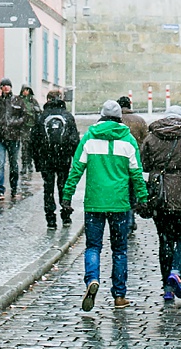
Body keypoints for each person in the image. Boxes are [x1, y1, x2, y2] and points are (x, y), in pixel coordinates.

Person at [62, 99, 148, 311]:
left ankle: (92, 279)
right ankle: (119, 295)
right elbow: (136, 174)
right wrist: (143, 198)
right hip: (119, 203)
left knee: (93, 246)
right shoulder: (128, 140)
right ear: (120, 118)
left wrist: (67, 196)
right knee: (119, 249)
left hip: (94, 202)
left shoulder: (90, 138)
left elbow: (76, 169)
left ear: (101, 116)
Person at [138, 104, 181, 301]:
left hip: (160, 196)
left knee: (165, 240)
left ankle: (167, 288)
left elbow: (144, 164)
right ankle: (176, 271)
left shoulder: (152, 137)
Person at [28, 88, 79, 228]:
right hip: (63, 158)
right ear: (61, 98)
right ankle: (66, 215)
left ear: (48, 100)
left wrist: (37, 162)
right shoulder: (68, 116)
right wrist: (75, 159)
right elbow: (75, 140)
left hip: (46, 159)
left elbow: (34, 141)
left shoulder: (42, 116)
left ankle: (50, 218)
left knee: (48, 188)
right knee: (63, 187)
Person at [0, 78, 28, 199]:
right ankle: (0, 190)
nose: (6, 87)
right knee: (0, 164)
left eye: (8, 85)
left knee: (14, 164)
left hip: (14, 137)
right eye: (4, 85)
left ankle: (14, 189)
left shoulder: (18, 100)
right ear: (0, 88)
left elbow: (24, 116)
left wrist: (14, 123)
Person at [15, 85, 39, 180]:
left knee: (31, 147)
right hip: (23, 127)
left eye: (27, 90)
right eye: (24, 90)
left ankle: (30, 164)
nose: (26, 92)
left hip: (32, 126)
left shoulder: (33, 101)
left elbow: (38, 111)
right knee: (24, 147)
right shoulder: (19, 100)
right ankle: (24, 165)